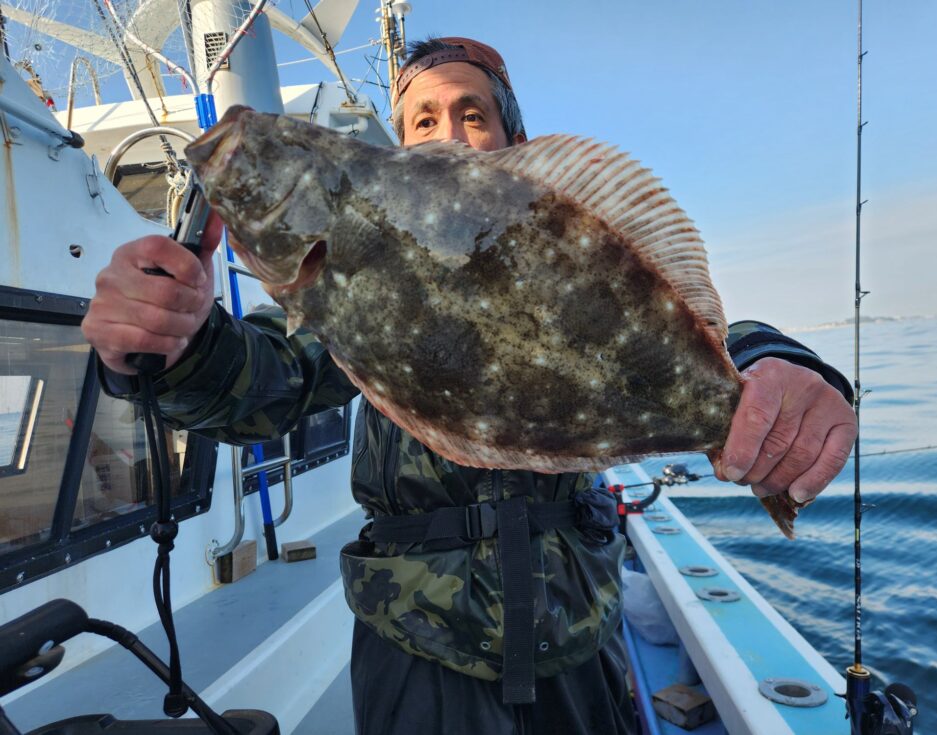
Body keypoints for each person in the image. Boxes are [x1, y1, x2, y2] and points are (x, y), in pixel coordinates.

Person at [82, 37, 857, 735]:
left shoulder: (548, 235)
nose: (447, 133)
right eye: (421, 120)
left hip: (577, 643)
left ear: (511, 138)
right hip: (419, 657)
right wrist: (178, 346)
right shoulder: (352, 280)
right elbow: (270, 382)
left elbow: (675, 331)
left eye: (471, 114)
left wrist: (776, 369)